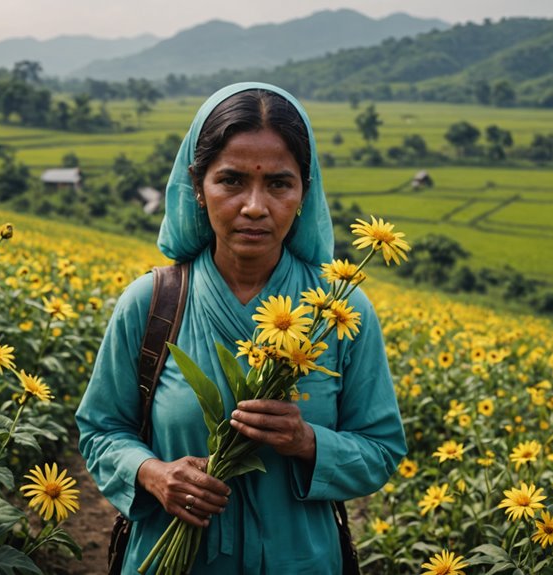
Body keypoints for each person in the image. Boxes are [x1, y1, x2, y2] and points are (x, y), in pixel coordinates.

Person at [76, 82, 406, 574]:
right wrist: (153, 473)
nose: (255, 206)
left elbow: (381, 450)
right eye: (231, 180)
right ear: (197, 188)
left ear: (303, 192)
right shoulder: (151, 304)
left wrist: (308, 442)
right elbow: (102, 430)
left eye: (278, 183)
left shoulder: (339, 312)